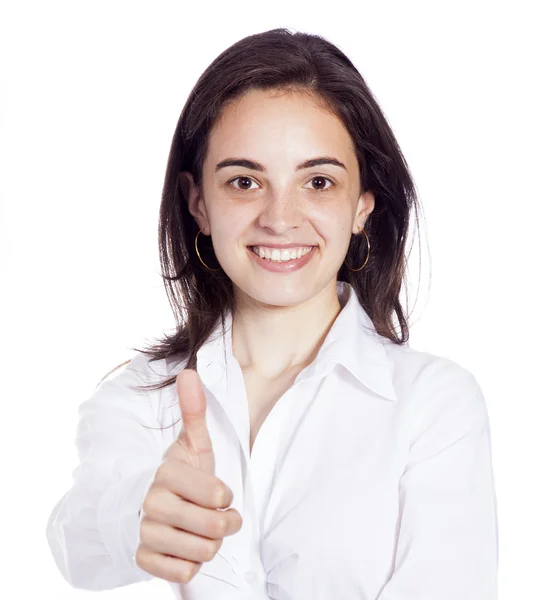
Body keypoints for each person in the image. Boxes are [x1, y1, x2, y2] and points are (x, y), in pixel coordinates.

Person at [45, 27, 499, 600]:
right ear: (197, 203)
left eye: (318, 182)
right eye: (244, 181)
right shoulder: (142, 398)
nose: (280, 219)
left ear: (363, 205)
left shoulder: (432, 405)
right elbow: (74, 544)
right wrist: (139, 514)